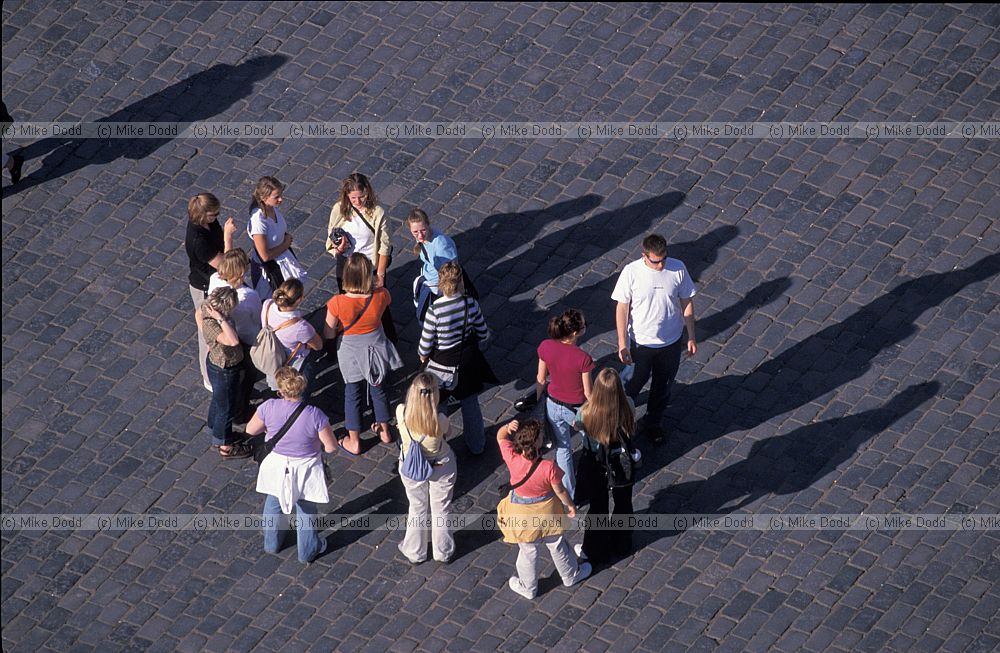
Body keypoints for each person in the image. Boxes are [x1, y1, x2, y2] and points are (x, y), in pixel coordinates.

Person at [613, 233, 697, 444]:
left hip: (671, 342)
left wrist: (691, 336)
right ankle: (619, 421)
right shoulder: (631, 272)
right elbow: (622, 308)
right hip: (640, 343)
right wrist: (622, 343)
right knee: (632, 384)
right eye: (655, 261)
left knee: (663, 385)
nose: (661, 265)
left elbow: (686, 302)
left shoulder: (678, 268)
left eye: (663, 259)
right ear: (644, 255)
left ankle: (653, 423)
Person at [246, 367, 337, 563]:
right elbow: (330, 447)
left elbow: (251, 430)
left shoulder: (268, 407)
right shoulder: (315, 415)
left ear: (280, 390)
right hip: (306, 468)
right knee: (305, 507)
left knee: (274, 500)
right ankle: (307, 552)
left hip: (276, 463)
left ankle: (272, 544)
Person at [496, 419, 591, 599]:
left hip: (521, 515)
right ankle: (570, 575)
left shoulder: (512, 457)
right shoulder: (549, 467)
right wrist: (570, 505)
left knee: (527, 551)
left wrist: (507, 427)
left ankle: (528, 587)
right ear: (537, 442)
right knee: (557, 545)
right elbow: (560, 491)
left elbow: (500, 437)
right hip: (548, 513)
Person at [323, 253, 403, 455]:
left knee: (353, 394)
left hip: (350, 350)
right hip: (376, 347)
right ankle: (385, 431)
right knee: (378, 389)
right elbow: (387, 300)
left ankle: (355, 441)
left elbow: (328, 333)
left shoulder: (336, 302)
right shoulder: (381, 295)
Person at [418, 262, 495, 455]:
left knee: (439, 405)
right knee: (470, 403)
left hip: (441, 365)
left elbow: (424, 346)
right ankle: (477, 445)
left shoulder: (434, 310)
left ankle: (438, 446)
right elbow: (483, 332)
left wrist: (422, 357)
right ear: (460, 281)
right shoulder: (470, 303)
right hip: (467, 362)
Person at [574, 368, 636, 563]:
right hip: (621, 461)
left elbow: (577, 426)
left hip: (595, 462)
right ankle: (622, 543)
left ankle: (596, 549)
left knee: (598, 506)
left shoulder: (586, 412)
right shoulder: (628, 406)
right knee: (623, 502)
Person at [326, 172, 397, 342]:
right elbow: (331, 234)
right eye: (353, 198)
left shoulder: (377, 213)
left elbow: (385, 246)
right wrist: (338, 247)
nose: (357, 202)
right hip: (347, 264)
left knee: (378, 305)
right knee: (348, 302)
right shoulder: (339, 209)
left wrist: (380, 275)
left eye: (361, 197)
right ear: (346, 196)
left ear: (368, 192)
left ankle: (388, 339)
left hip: (368, 266)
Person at [532, 309, 594, 500]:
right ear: (575, 332)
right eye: (584, 325)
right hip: (575, 409)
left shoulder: (545, 346)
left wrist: (538, 404)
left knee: (563, 448)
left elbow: (541, 379)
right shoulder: (583, 358)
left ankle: (570, 493)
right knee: (592, 441)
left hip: (552, 404)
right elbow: (588, 393)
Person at [396, 373, 456, 564]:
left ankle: (415, 552)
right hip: (440, 465)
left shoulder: (401, 412)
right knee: (441, 508)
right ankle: (443, 552)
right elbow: (449, 433)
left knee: (417, 507)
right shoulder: (440, 420)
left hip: (411, 466)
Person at [185, 192, 236, 391]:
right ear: (202, 215)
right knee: (207, 331)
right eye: (214, 214)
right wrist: (228, 237)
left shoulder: (209, 223)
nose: (217, 217)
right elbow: (225, 265)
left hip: (215, 281)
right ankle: (209, 377)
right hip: (205, 288)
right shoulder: (198, 240)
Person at [195, 287, 252, 458]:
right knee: (226, 407)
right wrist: (220, 320)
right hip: (224, 368)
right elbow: (233, 341)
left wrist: (208, 340)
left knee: (219, 400)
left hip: (217, 363)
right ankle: (224, 444)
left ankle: (214, 428)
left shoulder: (206, 306)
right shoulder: (214, 323)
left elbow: (197, 314)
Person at [208, 248, 263, 419]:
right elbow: (257, 317)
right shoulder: (249, 295)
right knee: (248, 375)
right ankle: (242, 410)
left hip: (225, 336)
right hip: (248, 338)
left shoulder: (214, 280)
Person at [248, 176, 307, 298]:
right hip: (270, 271)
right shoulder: (259, 221)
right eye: (276, 197)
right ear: (264, 198)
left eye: (280, 195)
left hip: (283, 258)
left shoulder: (272, 208)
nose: (281, 199)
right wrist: (286, 243)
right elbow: (265, 256)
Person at [260, 279, 323, 395]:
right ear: (299, 299)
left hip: (271, 355)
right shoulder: (300, 326)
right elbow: (318, 345)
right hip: (291, 363)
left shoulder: (267, 304)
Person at [407, 208, 459, 321]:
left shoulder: (441, 245)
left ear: (428, 224)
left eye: (423, 230)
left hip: (438, 286)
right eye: (415, 232)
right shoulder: (423, 236)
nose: (420, 235)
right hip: (429, 278)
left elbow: (451, 273)